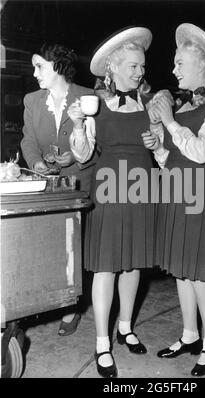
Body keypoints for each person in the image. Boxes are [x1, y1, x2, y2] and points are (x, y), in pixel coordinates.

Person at [142, 23, 205, 377]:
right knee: (181, 270)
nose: (174, 69)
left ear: (202, 66)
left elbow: (202, 151)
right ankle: (190, 335)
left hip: (198, 192)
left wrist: (170, 124)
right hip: (175, 188)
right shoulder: (178, 105)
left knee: (199, 275)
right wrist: (159, 147)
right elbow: (172, 157)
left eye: (180, 63)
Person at [67, 26, 157, 378]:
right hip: (108, 189)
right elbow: (84, 154)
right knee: (106, 266)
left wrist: (156, 144)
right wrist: (77, 124)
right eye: (134, 66)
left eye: (142, 66)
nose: (140, 72)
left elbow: (164, 155)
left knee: (133, 264)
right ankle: (103, 342)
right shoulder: (95, 105)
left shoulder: (149, 104)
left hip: (142, 190)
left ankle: (125, 327)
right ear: (114, 68)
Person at [21, 43, 97, 337]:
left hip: (79, 184)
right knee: (47, 245)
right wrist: (37, 161)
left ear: (58, 67)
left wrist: (74, 156)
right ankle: (46, 300)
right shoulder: (31, 100)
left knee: (74, 246)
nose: (34, 72)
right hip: (47, 185)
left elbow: (97, 144)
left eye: (39, 66)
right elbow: (28, 140)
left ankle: (71, 307)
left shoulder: (88, 98)